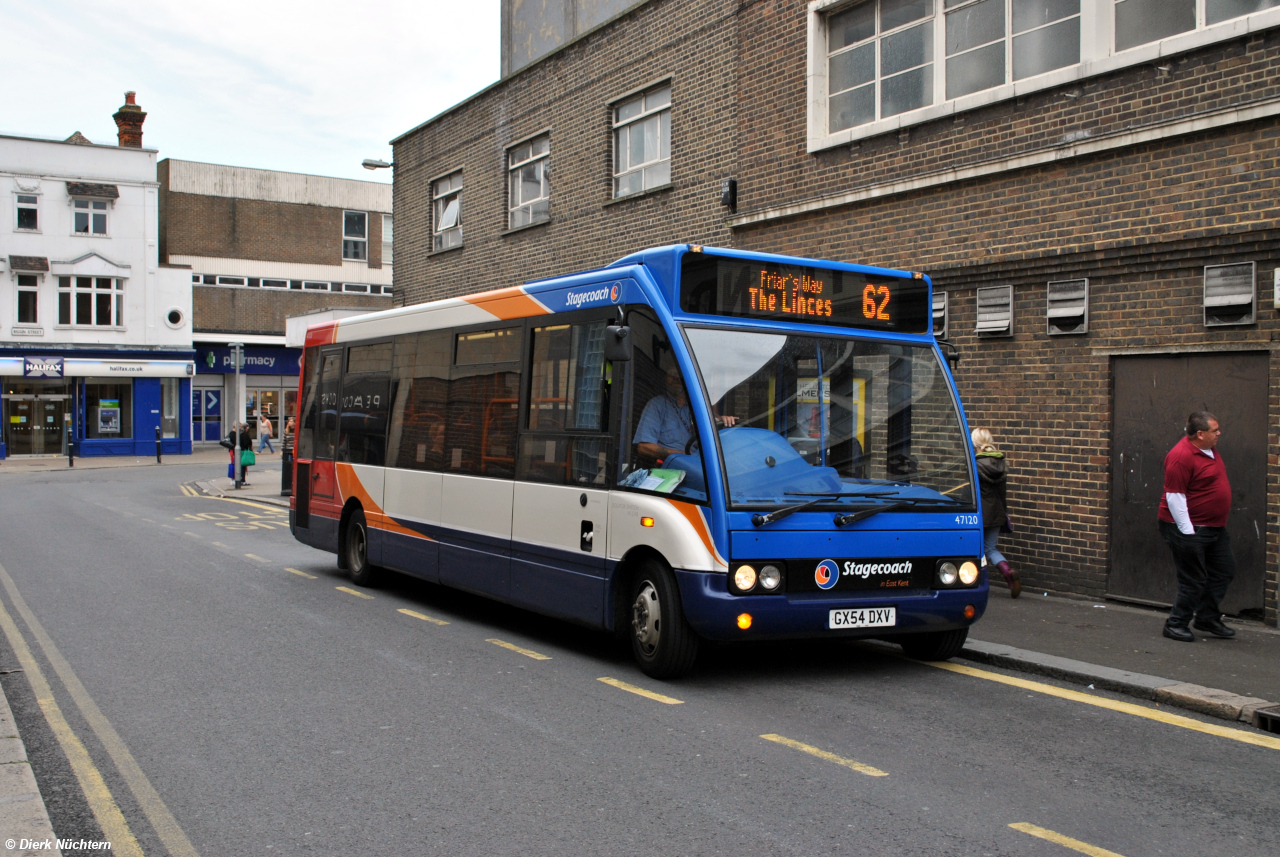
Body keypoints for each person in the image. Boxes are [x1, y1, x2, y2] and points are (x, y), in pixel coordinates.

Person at [1156, 412, 1237, 642]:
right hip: (1186, 528)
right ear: (1200, 434)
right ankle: (1175, 624)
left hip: (1214, 528)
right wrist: (1188, 533)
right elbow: (1175, 498)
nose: (1219, 433)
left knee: (1224, 570)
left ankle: (1206, 617)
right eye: (1215, 430)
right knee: (1193, 578)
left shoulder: (1209, 449)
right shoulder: (1180, 456)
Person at [634, 364, 735, 465]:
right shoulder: (656, 405)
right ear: (666, 379)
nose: (676, 379)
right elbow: (644, 447)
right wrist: (683, 456)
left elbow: (715, 425)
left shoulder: (698, 408)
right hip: (670, 469)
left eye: (680, 375)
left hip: (700, 467)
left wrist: (724, 420)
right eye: (671, 375)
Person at [972, 428, 1020, 598]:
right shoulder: (1001, 463)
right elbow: (1002, 493)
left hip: (978, 514)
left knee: (974, 550)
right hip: (997, 512)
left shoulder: (974, 464)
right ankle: (1008, 573)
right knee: (990, 548)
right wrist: (1004, 513)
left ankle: (975, 584)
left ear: (974, 443)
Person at [238, 421, 254, 486]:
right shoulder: (245, 435)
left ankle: (241, 479)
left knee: (242, 466)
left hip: (241, 451)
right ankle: (242, 480)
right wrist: (250, 447)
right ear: (246, 427)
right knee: (243, 466)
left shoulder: (240, 434)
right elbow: (246, 443)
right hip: (244, 451)